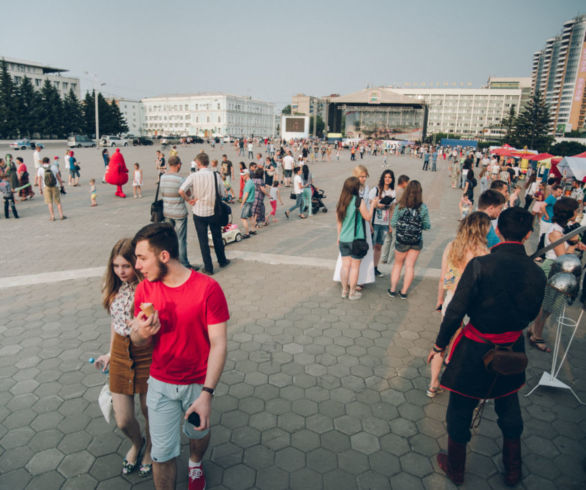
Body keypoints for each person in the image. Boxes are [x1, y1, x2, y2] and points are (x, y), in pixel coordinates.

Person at [428, 207, 546, 487]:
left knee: (460, 408)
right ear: (529, 234)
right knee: (508, 405)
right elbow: (532, 314)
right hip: (513, 346)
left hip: (475, 347)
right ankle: (513, 469)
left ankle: (457, 469)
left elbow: (456, 310)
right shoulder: (537, 273)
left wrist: (439, 344)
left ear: (498, 231)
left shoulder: (482, 265)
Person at [129, 223, 229, 490]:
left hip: (198, 384)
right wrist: (141, 333)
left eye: (142, 258)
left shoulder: (208, 289)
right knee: (161, 454)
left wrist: (207, 394)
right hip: (160, 384)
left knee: (199, 432)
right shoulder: (144, 291)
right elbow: (137, 341)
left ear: (164, 256)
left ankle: (195, 464)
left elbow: (219, 344)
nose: (137, 266)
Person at [94, 239, 153, 477]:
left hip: (146, 351)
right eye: (116, 266)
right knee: (123, 419)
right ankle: (137, 443)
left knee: (149, 409)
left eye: (126, 266)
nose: (121, 271)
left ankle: (150, 447)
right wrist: (109, 353)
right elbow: (114, 323)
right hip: (120, 350)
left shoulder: (147, 287)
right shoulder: (114, 287)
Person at [430, 212, 491, 397]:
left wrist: (439, 300)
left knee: (443, 339)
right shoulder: (485, 253)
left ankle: (433, 383)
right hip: (472, 304)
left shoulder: (452, 246)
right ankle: (456, 381)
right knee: (462, 343)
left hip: (451, 299)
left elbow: (442, 277)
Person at [527, 197, 585, 352]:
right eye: (575, 209)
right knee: (547, 306)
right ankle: (536, 336)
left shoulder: (563, 229)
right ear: (569, 212)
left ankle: (534, 329)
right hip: (555, 270)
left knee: (549, 306)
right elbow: (563, 258)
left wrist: (577, 244)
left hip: (559, 271)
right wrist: (573, 245)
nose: (577, 212)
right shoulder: (555, 232)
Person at [179, 152, 230, 275]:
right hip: (213, 211)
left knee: (203, 241)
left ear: (199, 163)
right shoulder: (215, 175)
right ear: (207, 162)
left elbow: (181, 190)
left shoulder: (193, 176)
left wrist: (189, 200)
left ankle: (209, 267)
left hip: (199, 212)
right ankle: (222, 260)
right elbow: (223, 194)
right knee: (217, 237)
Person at [336, 176, 378, 300]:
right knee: (354, 267)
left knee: (345, 266)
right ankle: (352, 293)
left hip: (343, 238)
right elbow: (367, 217)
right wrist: (373, 205)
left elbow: (339, 222)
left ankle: (344, 290)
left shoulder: (341, 201)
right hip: (356, 239)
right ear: (355, 188)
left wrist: (338, 236)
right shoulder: (358, 201)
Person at [388, 180, 431, 299]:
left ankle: (392, 290)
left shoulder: (400, 205)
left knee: (397, 265)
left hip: (401, 241)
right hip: (416, 241)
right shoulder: (423, 208)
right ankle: (404, 292)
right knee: (410, 266)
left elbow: (393, 223)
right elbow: (427, 225)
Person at [161, 156, 197, 270]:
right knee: (181, 239)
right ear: (178, 165)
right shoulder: (181, 179)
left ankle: (169, 262)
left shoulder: (163, 177)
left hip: (167, 211)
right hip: (179, 212)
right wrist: (188, 199)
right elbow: (188, 192)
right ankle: (184, 264)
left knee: (169, 238)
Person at [369, 170, 396, 277]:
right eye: (386, 177)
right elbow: (369, 203)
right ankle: (367, 268)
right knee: (371, 245)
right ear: (382, 178)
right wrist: (377, 205)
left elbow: (392, 209)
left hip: (384, 223)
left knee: (379, 246)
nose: (387, 179)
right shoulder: (376, 190)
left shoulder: (392, 192)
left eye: (390, 177)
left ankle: (375, 268)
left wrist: (390, 224)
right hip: (375, 222)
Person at [381, 175, 409, 264]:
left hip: (388, 217)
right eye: (407, 182)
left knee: (388, 239)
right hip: (395, 219)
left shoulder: (394, 190)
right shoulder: (401, 192)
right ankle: (390, 260)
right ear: (403, 182)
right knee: (395, 241)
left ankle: (384, 258)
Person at [37, 157, 66, 221]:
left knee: (49, 202)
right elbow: (58, 177)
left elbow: (39, 180)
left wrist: (40, 189)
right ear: (49, 161)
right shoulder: (54, 167)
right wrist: (62, 185)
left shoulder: (40, 169)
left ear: (42, 162)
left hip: (46, 187)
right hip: (55, 186)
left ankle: (52, 216)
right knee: (58, 202)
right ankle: (61, 215)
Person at [239, 170, 254, 238]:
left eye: (243, 175)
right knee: (250, 216)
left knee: (243, 218)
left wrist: (242, 203)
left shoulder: (248, 184)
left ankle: (247, 233)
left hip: (247, 202)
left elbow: (246, 194)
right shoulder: (250, 181)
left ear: (247, 175)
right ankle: (253, 230)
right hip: (251, 201)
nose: (242, 177)